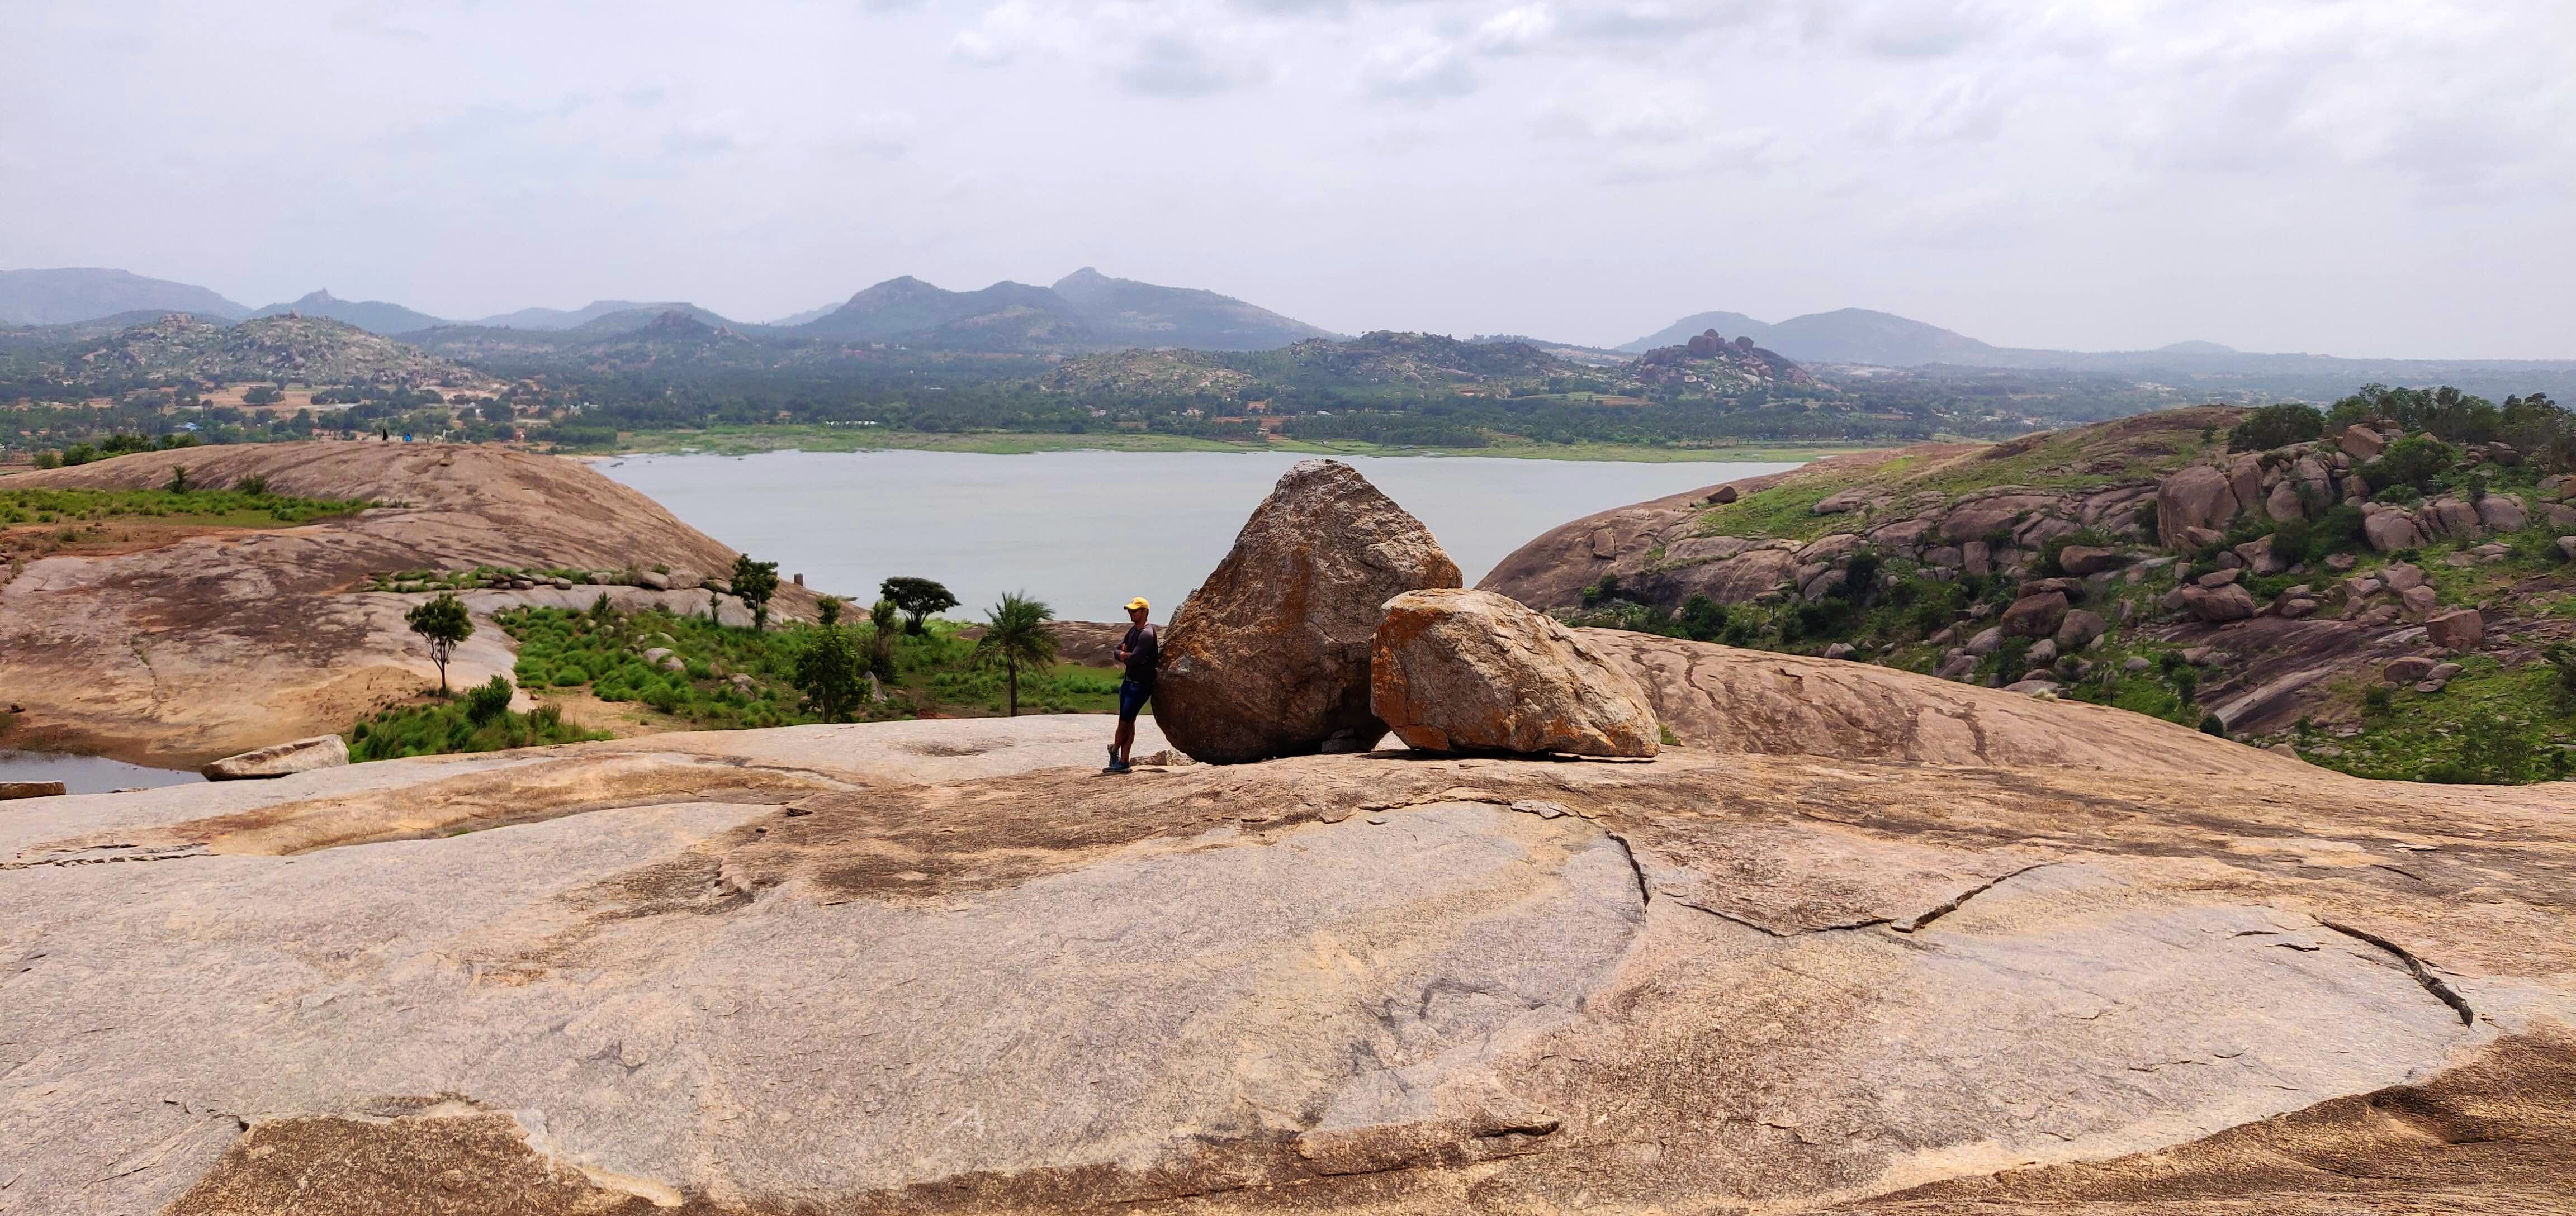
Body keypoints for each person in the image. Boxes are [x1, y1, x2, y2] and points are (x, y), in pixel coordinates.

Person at [1106, 596, 1157, 773]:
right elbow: (1117, 651)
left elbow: (1136, 659)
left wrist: (1126, 656)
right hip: (1128, 682)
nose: (1131, 614)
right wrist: (1124, 654)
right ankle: (1124, 761)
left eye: (1135, 611)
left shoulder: (1147, 634)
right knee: (1130, 721)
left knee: (1124, 721)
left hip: (1140, 685)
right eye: (1130, 611)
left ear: (1145, 612)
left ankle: (1114, 750)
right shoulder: (1133, 631)